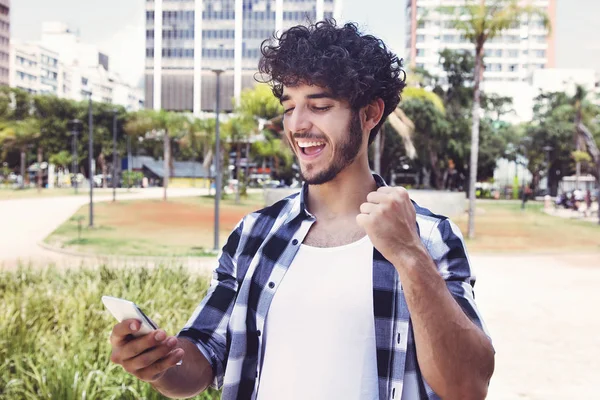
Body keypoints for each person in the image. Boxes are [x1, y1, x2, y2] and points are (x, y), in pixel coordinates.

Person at [108, 21, 495, 400]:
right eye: (289, 106)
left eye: (320, 105)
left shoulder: (428, 236)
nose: (297, 124)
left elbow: (468, 387)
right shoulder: (254, 234)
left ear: (370, 114)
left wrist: (410, 257)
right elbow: (201, 359)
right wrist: (159, 364)